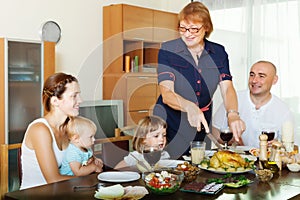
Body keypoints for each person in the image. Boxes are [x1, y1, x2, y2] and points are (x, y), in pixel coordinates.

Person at [153, 1, 245, 158]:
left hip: (201, 122)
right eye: (183, 28)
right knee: (171, 169)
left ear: (206, 28)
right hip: (170, 122)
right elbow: (167, 94)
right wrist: (189, 107)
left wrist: (233, 114)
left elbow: (227, 87)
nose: (188, 34)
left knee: (199, 165)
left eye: (194, 29)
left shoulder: (218, 52)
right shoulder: (168, 50)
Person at [20, 72, 103, 190]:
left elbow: (83, 160)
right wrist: (91, 176)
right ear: (55, 101)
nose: (81, 100)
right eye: (74, 96)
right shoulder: (40, 130)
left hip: (61, 192)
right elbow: (53, 180)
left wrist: (91, 163)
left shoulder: (70, 128)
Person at [212, 60, 295, 148]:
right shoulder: (233, 99)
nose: (254, 80)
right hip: (236, 158)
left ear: (274, 80)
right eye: (252, 75)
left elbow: (290, 146)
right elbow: (214, 130)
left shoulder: (283, 110)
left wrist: (278, 147)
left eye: (261, 76)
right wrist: (230, 141)